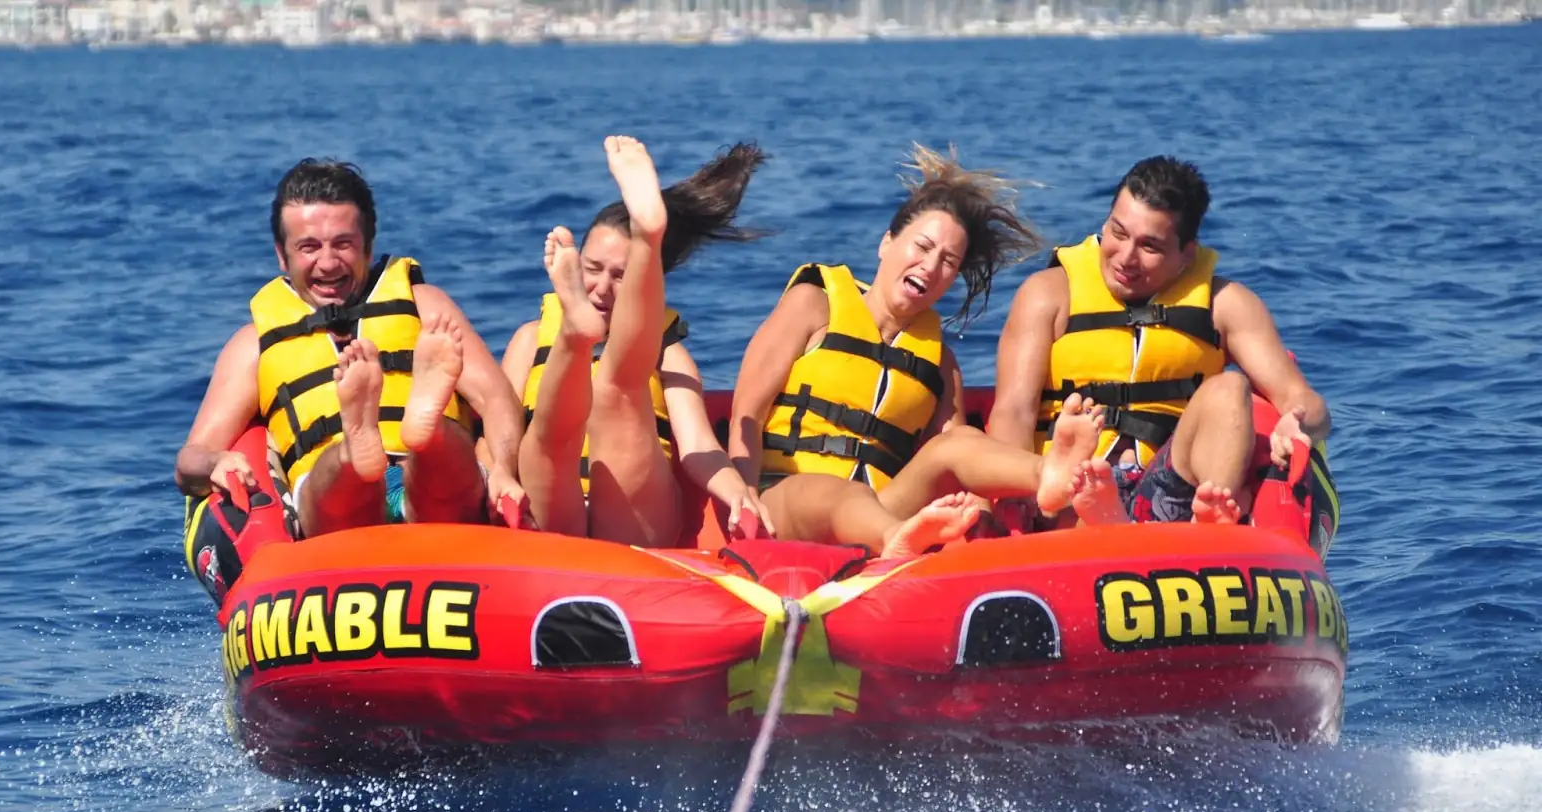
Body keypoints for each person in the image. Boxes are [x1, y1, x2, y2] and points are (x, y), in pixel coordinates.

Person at [728, 143, 1102, 558]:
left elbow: (959, 464)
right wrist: (744, 499)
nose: (931, 266)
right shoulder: (814, 304)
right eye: (922, 247)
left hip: (885, 512)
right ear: (887, 243)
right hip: (785, 503)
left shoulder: (938, 362)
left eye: (948, 261)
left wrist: (978, 520)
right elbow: (748, 409)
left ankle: (1045, 472)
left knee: (957, 440)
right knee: (836, 494)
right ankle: (896, 541)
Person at [176, 158, 526, 539]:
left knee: (443, 461)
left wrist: (505, 471)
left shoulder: (423, 305)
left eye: (343, 244)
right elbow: (192, 457)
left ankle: (425, 434)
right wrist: (215, 460)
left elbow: (497, 398)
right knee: (338, 478)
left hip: (426, 491)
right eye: (309, 247)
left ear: (368, 246)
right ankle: (356, 444)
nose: (327, 263)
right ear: (282, 254)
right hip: (335, 514)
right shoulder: (255, 345)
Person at [987, 155, 1331, 528]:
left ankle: (1209, 533)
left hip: (1166, 496)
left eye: (1149, 247)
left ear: (1186, 255)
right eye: (1118, 233)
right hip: (1071, 490)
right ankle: (1103, 522)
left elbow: (1307, 404)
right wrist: (1013, 508)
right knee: (1085, 489)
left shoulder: (1226, 304)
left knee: (1231, 387)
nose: (1126, 257)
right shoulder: (1048, 294)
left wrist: (1297, 424)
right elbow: (1014, 411)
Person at [492, 136, 772, 547]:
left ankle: (646, 238)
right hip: (551, 510)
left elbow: (697, 446)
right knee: (546, 443)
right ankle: (576, 335)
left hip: (637, 516)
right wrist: (498, 469)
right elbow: (499, 434)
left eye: (621, 276)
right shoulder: (529, 340)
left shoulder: (669, 355)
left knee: (616, 390)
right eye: (591, 268)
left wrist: (738, 494)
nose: (602, 287)